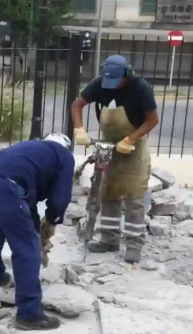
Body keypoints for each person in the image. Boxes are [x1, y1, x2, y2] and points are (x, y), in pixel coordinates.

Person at [0, 133, 75, 331]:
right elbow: (60, 198)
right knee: (27, 246)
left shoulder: (31, 150)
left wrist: (36, 230)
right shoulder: (64, 155)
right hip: (5, 184)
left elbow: (26, 204)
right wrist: (52, 219)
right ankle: (29, 313)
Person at [71, 54, 159, 264]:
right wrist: (79, 129)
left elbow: (153, 119)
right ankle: (109, 239)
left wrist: (131, 138)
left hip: (133, 147)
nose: (113, 85)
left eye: (118, 80)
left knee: (133, 196)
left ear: (127, 75)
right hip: (108, 145)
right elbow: (77, 105)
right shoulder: (100, 84)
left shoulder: (141, 88)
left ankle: (134, 245)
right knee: (107, 193)